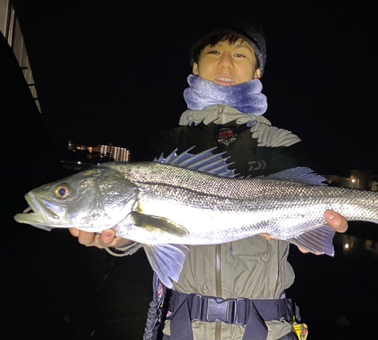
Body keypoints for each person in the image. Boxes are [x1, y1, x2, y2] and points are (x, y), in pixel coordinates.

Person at [70, 17, 348, 340]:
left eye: (240, 54)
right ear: (195, 68)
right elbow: (149, 229)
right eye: (214, 51)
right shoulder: (167, 145)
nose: (226, 62)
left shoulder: (280, 143)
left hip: (267, 331)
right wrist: (120, 237)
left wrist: (314, 226)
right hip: (184, 329)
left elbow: (305, 199)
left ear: (258, 72)